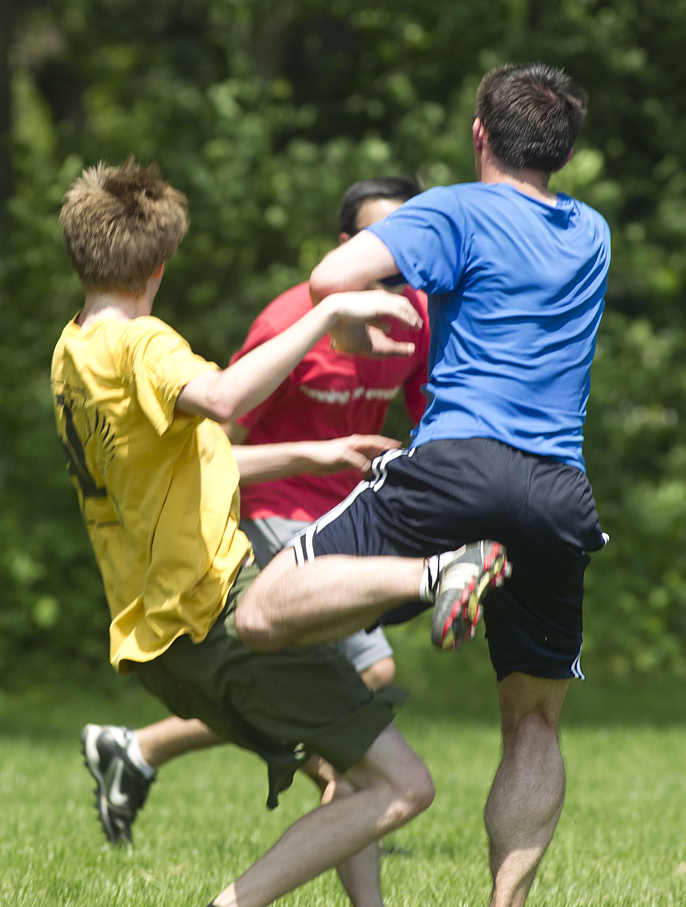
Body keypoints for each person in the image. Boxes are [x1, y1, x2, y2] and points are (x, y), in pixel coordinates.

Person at [231, 62, 611, 907]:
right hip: (559, 492)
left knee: (260, 610)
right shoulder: (592, 232)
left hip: (456, 464)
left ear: (480, 134)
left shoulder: (453, 209)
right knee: (535, 721)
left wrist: (357, 326)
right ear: (563, 151)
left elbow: (330, 279)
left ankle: (436, 571)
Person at [52, 160, 451, 907]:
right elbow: (223, 396)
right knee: (405, 785)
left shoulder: (73, 351)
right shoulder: (145, 344)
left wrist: (312, 454)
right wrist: (324, 315)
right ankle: (445, 573)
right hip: (217, 609)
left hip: (158, 636)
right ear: (160, 265)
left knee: (348, 773)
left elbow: (188, 463)